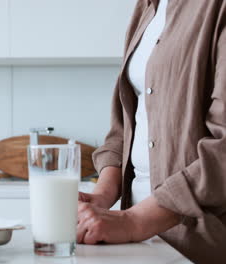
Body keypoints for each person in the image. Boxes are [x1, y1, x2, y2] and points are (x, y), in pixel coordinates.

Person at [77, 0, 226, 263]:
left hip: (198, 244)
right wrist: (102, 196)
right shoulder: (147, 6)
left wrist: (134, 221)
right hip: (136, 241)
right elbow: (124, 124)